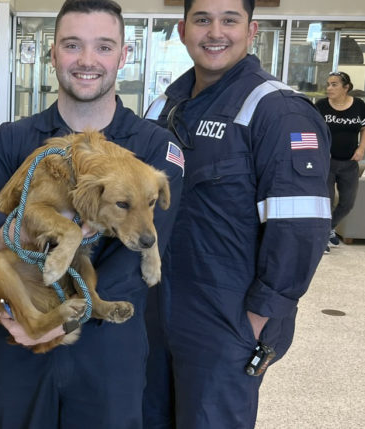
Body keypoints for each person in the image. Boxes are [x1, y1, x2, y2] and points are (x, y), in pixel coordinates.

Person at [0, 1, 183, 427]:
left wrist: (80, 305)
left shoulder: (154, 149)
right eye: (73, 45)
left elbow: (142, 251)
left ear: (124, 56)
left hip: (109, 353)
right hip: (21, 343)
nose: (87, 61)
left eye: (103, 47)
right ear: (53, 54)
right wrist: (20, 232)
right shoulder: (13, 141)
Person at [142, 0, 331, 427]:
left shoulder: (278, 110)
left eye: (230, 20)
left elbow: (301, 228)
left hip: (227, 315)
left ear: (252, 30)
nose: (215, 32)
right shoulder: (162, 108)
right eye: (202, 19)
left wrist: (262, 315)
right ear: (182, 29)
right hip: (155, 310)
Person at [315, 71, 365, 250]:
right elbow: (313, 130)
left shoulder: (359, 105)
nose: (329, 88)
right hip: (326, 163)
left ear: (346, 87)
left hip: (349, 163)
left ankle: (328, 229)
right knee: (326, 201)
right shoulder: (321, 106)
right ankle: (322, 238)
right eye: (328, 84)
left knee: (347, 203)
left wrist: (361, 149)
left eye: (334, 84)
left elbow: (364, 128)